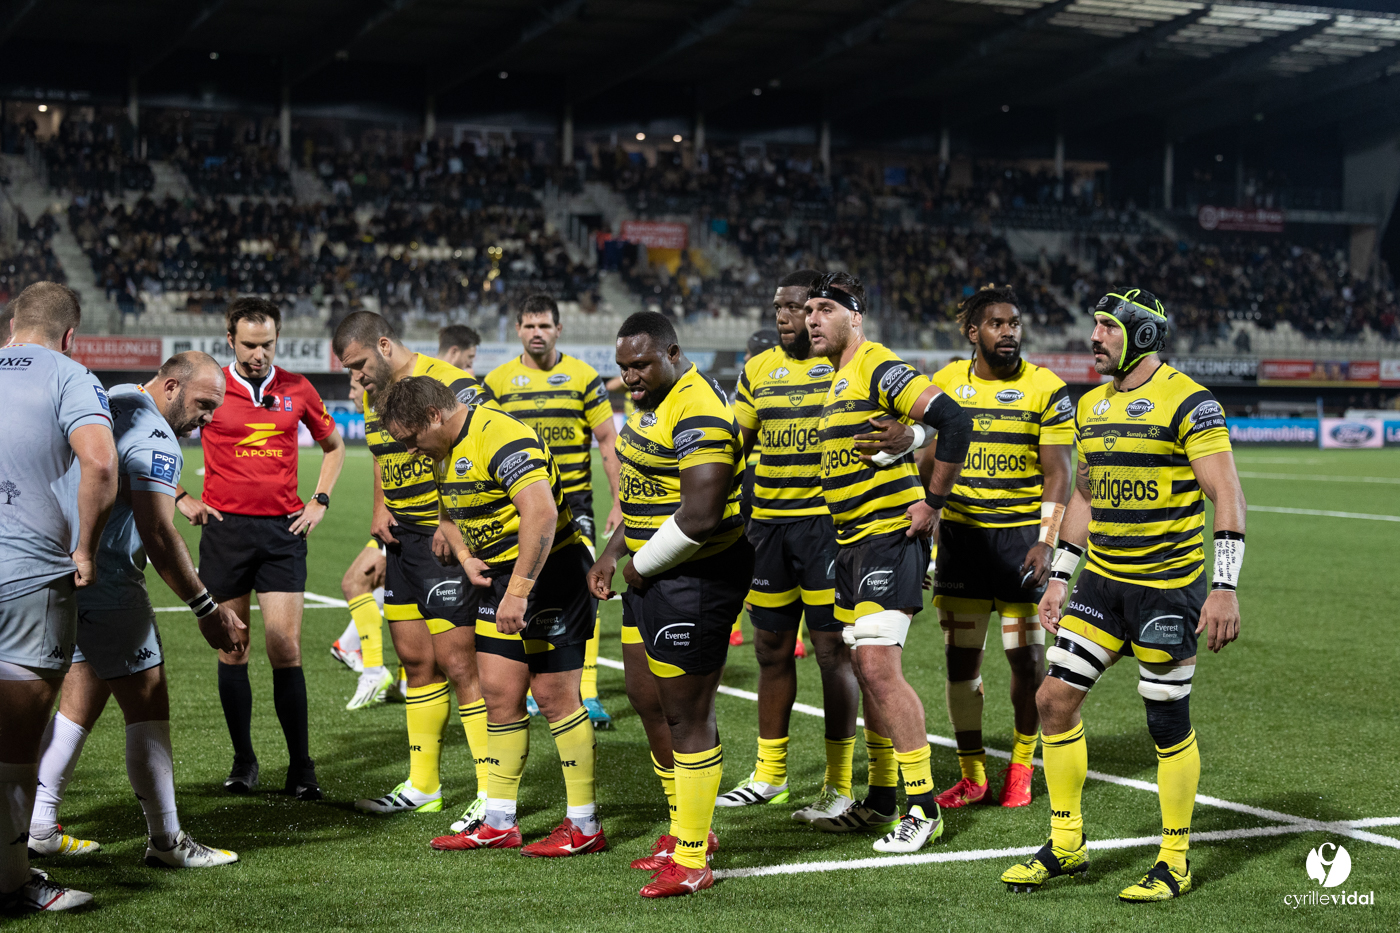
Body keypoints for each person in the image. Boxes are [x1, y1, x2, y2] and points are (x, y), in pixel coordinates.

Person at [1000, 290, 1245, 902]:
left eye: (1108, 327)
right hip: (1103, 583)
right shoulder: (1090, 406)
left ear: (1141, 334)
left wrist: (1223, 588)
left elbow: (1229, 496)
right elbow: (1084, 494)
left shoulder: (1191, 403)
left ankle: (1173, 860)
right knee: (1053, 699)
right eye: (1096, 326)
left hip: (1168, 588)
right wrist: (1061, 574)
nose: (1096, 336)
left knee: (1165, 720)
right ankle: (1066, 845)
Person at [29, 353, 246, 869]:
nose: (209, 419)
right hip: (109, 585)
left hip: (63, 574)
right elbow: (158, 534)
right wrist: (205, 607)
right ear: (171, 387)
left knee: (82, 698)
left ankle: (38, 825)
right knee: (149, 701)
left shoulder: (121, 395)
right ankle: (167, 841)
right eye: (202, 405)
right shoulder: (156, 437)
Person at [377, 376, 603, 858]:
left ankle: (584, 824)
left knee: (554, 695)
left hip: (550, 574)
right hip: (499, 579)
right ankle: (499, 821)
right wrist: (462, 552)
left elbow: (540, 515)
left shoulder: (501, 436)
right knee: (498, 693)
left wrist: (519, 591)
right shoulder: (443, 450)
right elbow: (448, 512)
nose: (412, 452)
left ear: (435, 416)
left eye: (412, 439)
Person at [865, 286, 1073, 808]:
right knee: (962, 665)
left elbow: (1058, 472)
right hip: (960, 540)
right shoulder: (947, 383)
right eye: (998, 324)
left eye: (1016, 323)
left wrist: (1047, 541)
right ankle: (972, 773)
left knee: (1026, 659)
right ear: (973, 331)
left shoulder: (1047, 388)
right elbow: (926, 455)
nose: (1010, 333)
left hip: (1021, 544)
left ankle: (1022, 767)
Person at [802, 271, 972, 853]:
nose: (812, 319)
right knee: (863, 667)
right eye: (808, 310)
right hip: (851, 543)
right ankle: (879, 800)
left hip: (887, 538)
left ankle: (922, 807)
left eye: (825, 308)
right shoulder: (837, 378)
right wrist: (912, 437)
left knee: (877, 668)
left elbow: (954, 420)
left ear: (855, 315)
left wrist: (933, 501)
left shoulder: (876, 364)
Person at [586, 311, 753, 898]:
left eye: (641, 364)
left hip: (697, 576)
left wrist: (634, 566)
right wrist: (612, 552)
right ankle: (685, 831)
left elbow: (701, 516)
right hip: (649, 574)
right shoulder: (651, 404)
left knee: (687, 713)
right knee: (645, 698)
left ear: (673, 352)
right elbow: (640, 495)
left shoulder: (698, 407)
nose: (630, 376)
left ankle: (692, 854)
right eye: (623, 367)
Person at [175, 296, 345, 800]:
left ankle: (301, 768)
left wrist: (319, 500)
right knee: (234, 650)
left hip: (282, 534)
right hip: (225, 533)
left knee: (285, 648)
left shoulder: (298, 388)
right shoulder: (209, 388)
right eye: (248, 345)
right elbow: (153, 438)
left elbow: (333, 447)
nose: (258, 354)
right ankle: (244, 762)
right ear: (230, 341)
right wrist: (181, 495)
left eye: (267, 344)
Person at [332, 311, 491, 827]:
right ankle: (424, 786)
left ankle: (493, 793)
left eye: (358, 365)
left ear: (384, 344)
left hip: (446, 539)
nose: (356, 379)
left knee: (460, 663)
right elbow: (382, 455)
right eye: (349, 371)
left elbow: (478, 447)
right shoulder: (371, 394)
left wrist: (457, 524)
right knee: (415, 662)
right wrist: (381, 507)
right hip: (401, 539)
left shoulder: (453, 384)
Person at [716, 272, 860, 823]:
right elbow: (737, 441)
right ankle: (769, 775)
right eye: (778, 306)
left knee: (831, 654)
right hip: (768, 531)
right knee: (771, 651)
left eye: (795, 307)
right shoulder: (758, 370)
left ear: (819, 314)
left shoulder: (842, 368)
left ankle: (838, 783)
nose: (783, 316)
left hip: (827, 529)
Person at [0, 282, 117, 911]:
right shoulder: (72, 376)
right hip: (29, 579)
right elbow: (98, 464)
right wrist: (86, 549)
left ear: (12, 325)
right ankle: (14, 885)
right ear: (70, 335)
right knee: (15, 743)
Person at [483, 294, 622, 730]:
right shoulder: (499, 381)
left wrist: (618, 500)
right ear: (518, 330)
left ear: (559, 329)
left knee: (581, 587)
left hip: (571, 504)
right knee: (521, 587)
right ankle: (524, 685)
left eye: (544, 325)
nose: (536, 333)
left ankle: (589, 691)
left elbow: (606, 441)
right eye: (528, 326)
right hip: (512, 507)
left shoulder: (583, 377)